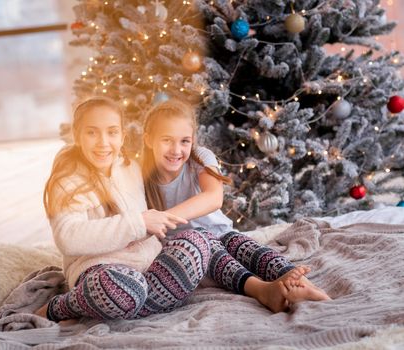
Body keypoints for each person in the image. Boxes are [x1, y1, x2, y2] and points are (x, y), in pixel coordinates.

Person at [141, 99, 331, 312]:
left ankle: (302, 284)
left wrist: (164, 217)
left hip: (222, 234)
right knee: (216, 253)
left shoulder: (200, 158)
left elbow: (214, 198)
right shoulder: (141, 174)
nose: (176, 150)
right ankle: (263, 291)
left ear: (193, 140)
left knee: (246, 247)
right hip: (192, 251)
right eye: (167, 140)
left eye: (184, 141)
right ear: (149, 140)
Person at [35, 96, 212, 322]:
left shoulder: (131, 168)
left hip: (147, 266)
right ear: (77, 136)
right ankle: (61, 307)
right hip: (101, 271)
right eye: (92, 133)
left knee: (196, 244)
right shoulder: (68, 180)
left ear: (122, 136)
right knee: (122, 289)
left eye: (111, 132)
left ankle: (131, 302)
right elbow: (67, 237)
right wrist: (138, 223)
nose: (103, 142)